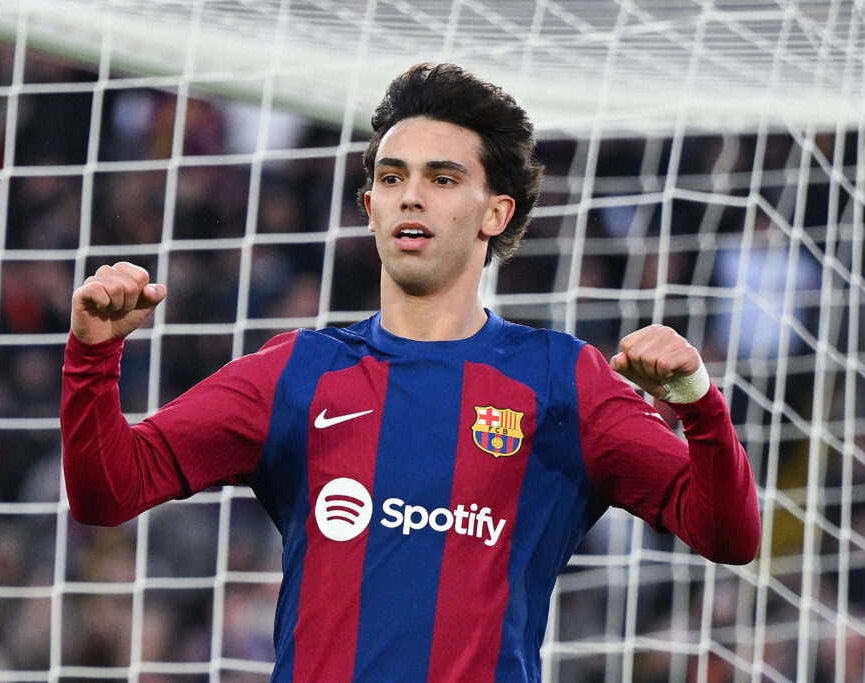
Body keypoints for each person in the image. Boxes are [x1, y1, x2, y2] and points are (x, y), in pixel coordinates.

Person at [61, 63, 761, 682]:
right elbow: (109, 490)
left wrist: (700, 406)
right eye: (392, 178)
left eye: (442, 177)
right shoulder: (296, 373)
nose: (411, 196)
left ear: (496, 212)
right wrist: (93, 354)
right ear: (370, 209)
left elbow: (730, 535)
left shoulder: (563, 382)